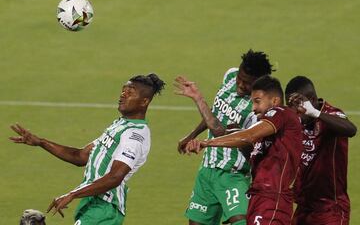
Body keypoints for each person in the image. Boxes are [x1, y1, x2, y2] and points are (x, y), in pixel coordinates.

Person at [9, 74, 165, 225]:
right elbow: (81, 156)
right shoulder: (119, 126)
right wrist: (40, 142)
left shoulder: (134, 135)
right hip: (92, 201)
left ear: (144, 101)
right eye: (123, 91)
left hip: (105, 206)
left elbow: (115, 177)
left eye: (129, 93)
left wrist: (73, 194)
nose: (123, 95)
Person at [184, 75, 303, 225]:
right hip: (259, 197)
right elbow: (251, 149)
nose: (253, 108)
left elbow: (248, 136)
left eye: (257, 101)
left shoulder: (280, 113)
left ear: (274, 101)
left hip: (273, 200)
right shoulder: (268, 133)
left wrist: (206, 143)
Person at [174, 50, 274, 225]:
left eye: (247, 83)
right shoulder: (230, 75)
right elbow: (215, 114)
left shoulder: (258, 108)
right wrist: (191, 135)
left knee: (241, 221)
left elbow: (219, 130)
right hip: (207, 169)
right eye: (240, 78)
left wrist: (198, 98)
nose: (241, 84)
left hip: (233, 174)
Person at [284, 76, 357, 225]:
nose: (294, 112)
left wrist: (315, 113)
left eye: (297, 106)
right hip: (304, 208)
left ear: (311, 100)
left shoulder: (331, 114)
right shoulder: (296, 122)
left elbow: (351, 129)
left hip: (331, 209)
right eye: (290, 106)